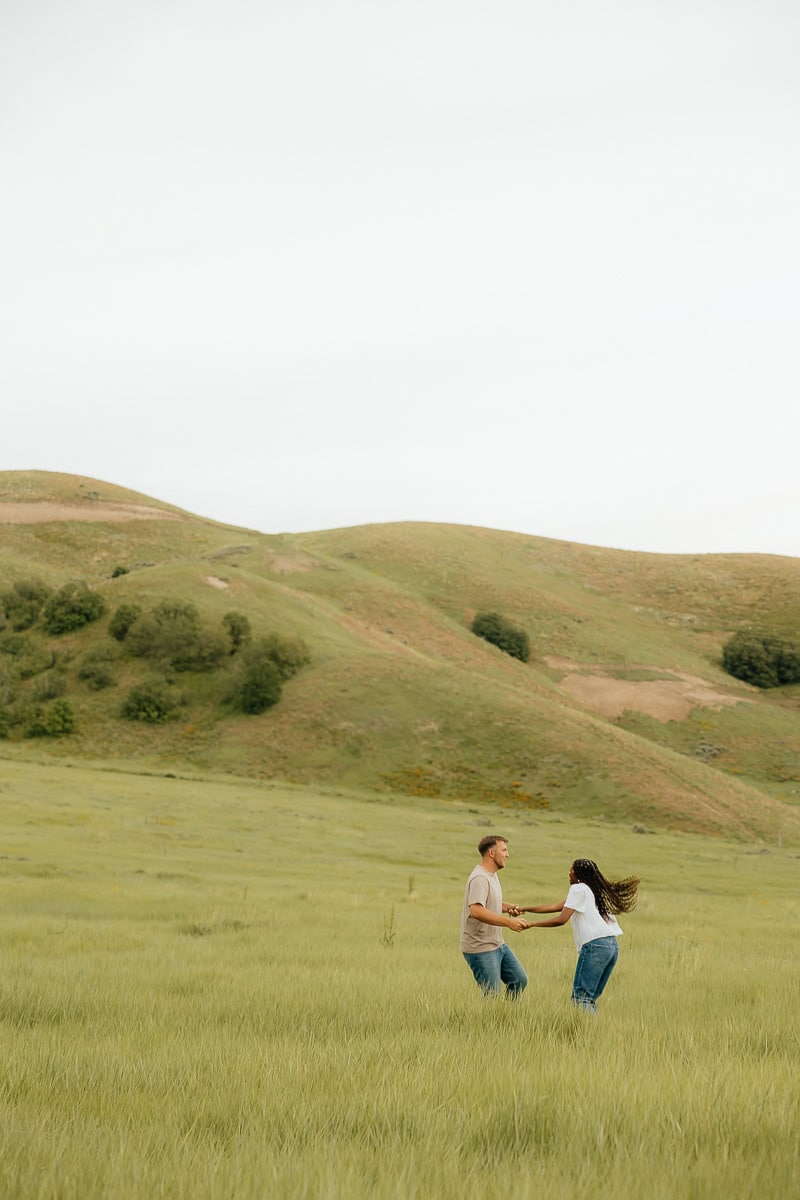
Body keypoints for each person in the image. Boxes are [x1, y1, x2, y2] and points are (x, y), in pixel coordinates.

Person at [520, 858, 639, 1013]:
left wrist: (532, 924)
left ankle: (585, 1032)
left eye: (571, 869)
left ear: (578, 874)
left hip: (595, 946)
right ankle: (591, 1032)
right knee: (589, 999)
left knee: (581, 998)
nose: (569, 873)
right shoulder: (591, 890)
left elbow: (561, 919)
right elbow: (555, 906)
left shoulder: (578, 889)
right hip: (611, 946)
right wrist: (524, 908)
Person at [460, 834, 528, 998]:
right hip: (480, 947)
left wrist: (507, 907)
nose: (507, 854)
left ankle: (506, 1017)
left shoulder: (491, 875)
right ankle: (491, 1021)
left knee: (519, 980)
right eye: (504, 850)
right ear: (491, 853)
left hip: (497, 944)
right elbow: (476, 910)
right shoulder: (480, 878)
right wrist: (508, 923)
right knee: (492, 996)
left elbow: (487, 902)